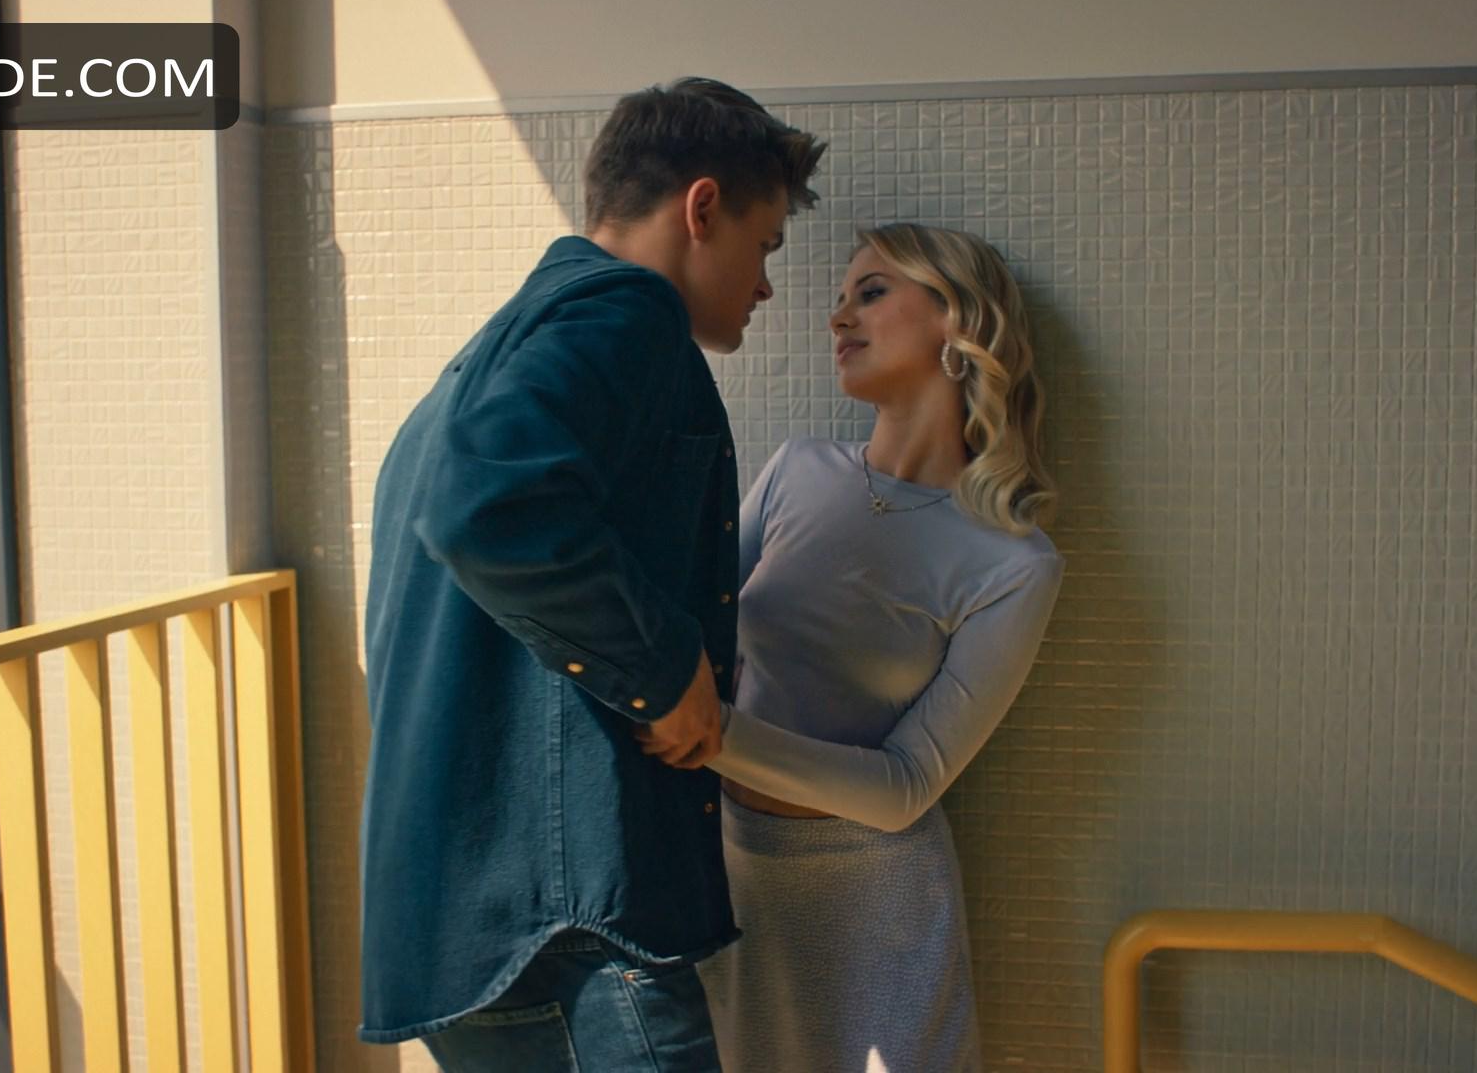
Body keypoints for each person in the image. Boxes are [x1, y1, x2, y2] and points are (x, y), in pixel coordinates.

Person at [357, 78, 824, 1072]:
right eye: (766, 246)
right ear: (702, 208)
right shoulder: (625, 314)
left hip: (479, 915)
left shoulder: (498, 348)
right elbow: (487, 508)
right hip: (564, 930)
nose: (765, 286)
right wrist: (667, 668)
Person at [660, 224, 1067, 1072]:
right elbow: (697, 638)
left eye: (872, 293)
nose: (838, 317)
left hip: (881, 912)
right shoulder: (796, 470)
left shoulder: (1014, 562)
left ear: (957, 322)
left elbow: (904, 788)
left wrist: (710, 735)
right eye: (841, 298)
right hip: (731, 881)